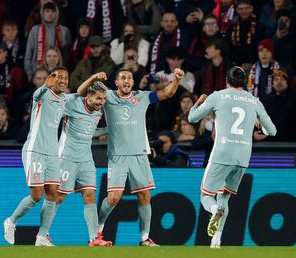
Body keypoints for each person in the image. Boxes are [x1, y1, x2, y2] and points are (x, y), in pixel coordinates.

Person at [77, 67, 185, 246]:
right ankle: (98, 231)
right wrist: (94, 76)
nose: (126, 81)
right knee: (113, 198)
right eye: (122, 78)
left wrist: (177, 79)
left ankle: (144, 239)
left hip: (139, 154)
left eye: (129, 78)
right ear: (116, 82)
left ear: (133, 82)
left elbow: (167, 93)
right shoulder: (108, 96)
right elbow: (82, 93)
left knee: (144, 196)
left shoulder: (142, 97)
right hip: (117, 156)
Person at [188, 66, 276, 248]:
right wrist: (258, 124)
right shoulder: (254, 101)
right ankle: (216, 241)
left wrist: (198, 103)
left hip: (222, 153)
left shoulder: (218, 95)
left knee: (206, 195)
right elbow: (272, 131)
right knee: (224, 196)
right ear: (245, 82)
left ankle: (214, 210)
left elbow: (193, 118)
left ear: (226, 81)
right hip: (243, 157)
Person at [3, 66, 69, 247]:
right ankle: (11, 222)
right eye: (58, 77)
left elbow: (80, 98)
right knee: (37, 195)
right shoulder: (42, 95)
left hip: (52, 153)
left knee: (53, 193)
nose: (62, 80)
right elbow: (39, 93)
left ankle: (42, 237)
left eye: (65, 77)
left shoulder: (64, 100)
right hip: (35, 150)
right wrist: (48, 83)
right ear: (51, 79)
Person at [56, 73, 113, 246]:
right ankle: (43, 234)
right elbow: (79, 91)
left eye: (103, 99)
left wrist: (107, 131)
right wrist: (94, 77)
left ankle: (94, 239)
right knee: (57, 198)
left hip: (86, 159)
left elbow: (89, 131)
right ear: (88, 96)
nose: (101, 102)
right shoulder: (72, 104)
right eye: (97, 98)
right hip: (66, 157)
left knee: (90, 195)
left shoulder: (98, 112)